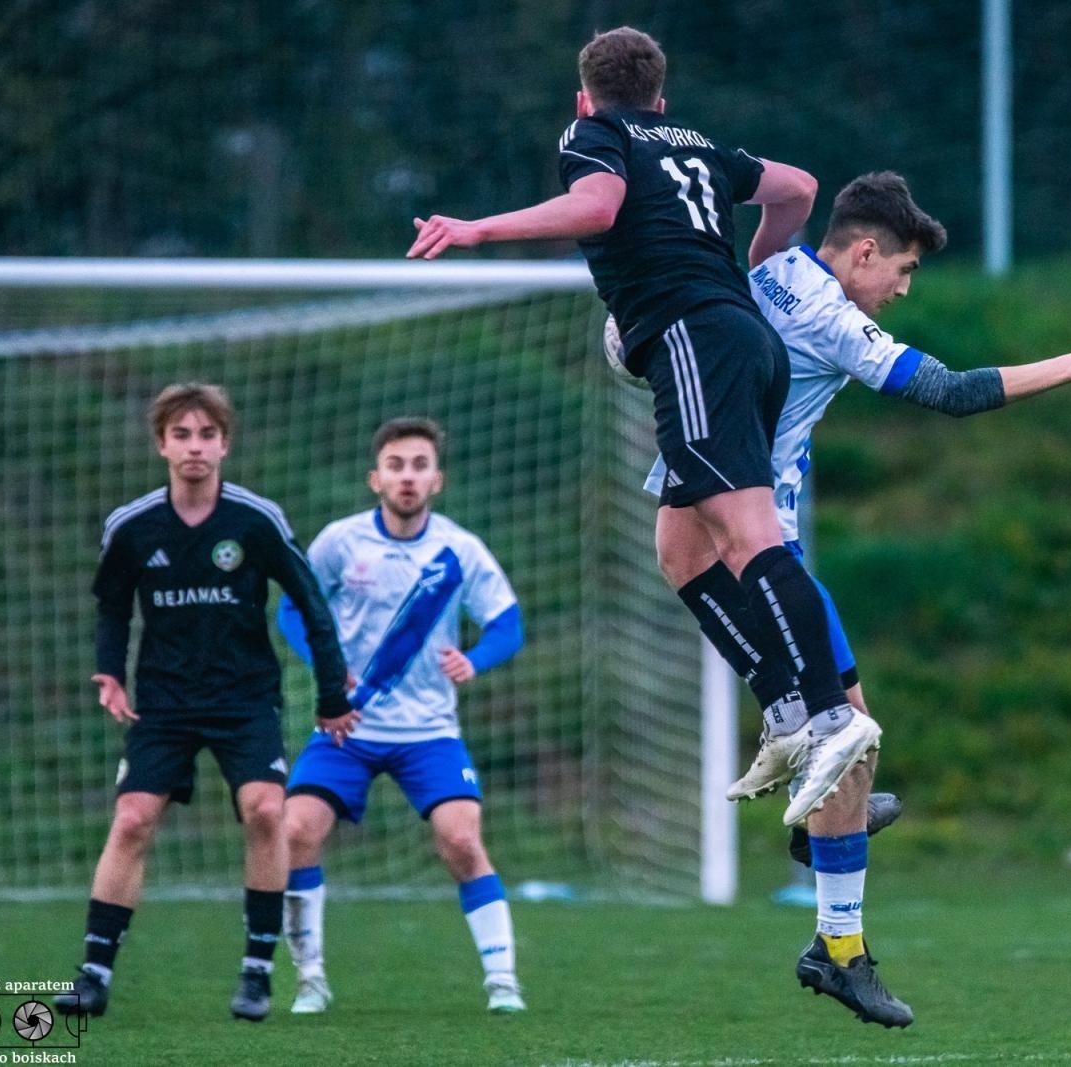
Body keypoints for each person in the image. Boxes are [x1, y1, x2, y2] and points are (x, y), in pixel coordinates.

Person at [645, 171, 1071, 1025]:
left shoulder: (775, 268)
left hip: (724, 532)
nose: (902, 292)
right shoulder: (831, 316)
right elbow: (946, 391)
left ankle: (822, 856)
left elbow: (777, 207)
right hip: (749, 548)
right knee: (848, 739)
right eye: (902, 272)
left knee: (851, 741)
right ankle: (838, 947)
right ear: (863, 252)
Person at [408, 33, 879, 862]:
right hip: (736, 342)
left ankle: (833, 718)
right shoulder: (694, 142)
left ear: (583, 98)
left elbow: (596, 208)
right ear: (660, 97)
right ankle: (785, 706)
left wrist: (478, 229)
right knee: (680, 546)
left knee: (748, 538)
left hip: (697, 343)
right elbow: (799, 187)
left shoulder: (596, 136)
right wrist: (762, 256)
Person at [56, 383, 356, 1022]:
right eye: (182, 435)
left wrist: (332, 696)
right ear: (162, 444)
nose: (195, 447)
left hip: (244, 700)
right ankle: (94, 974)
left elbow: (310, 603)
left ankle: (256, 973)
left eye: (207, 435)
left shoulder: (256, 520)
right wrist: (110, 671)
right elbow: (112, 603)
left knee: (266, 811)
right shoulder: (133, 526)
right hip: (163, 703)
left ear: (225, 444)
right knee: (133, 819)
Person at [275, 418, 527, 1014]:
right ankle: (310, 979)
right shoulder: (340, 542)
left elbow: (507, 623)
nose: (407, 476)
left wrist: (475, 659)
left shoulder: (459, 550)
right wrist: (328, 668)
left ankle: (504, 984)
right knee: (294, 832)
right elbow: (292, 609)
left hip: (429, 731)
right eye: (396, 465)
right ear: (375, 478)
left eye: (419, 465)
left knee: (462, 841)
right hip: (348, 725)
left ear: (436, 479)